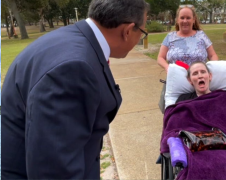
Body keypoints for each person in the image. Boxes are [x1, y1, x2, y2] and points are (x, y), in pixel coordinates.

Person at [1, 0, 149, 179]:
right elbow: (55, 170)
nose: (139, 38)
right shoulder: (74, 69)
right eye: (142, 32)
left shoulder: (70, 38)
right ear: (127, 31)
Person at [157, 5, 219, 73]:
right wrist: (167, 67)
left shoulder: (202, 36)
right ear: (177, 20)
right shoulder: (170, 37)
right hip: (176, 80)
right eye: (182, 18)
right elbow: (160, 58)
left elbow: (212, 55)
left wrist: (210, 69)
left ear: (193, 20)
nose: (185, 21)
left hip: (199, 80)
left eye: (188, 18)